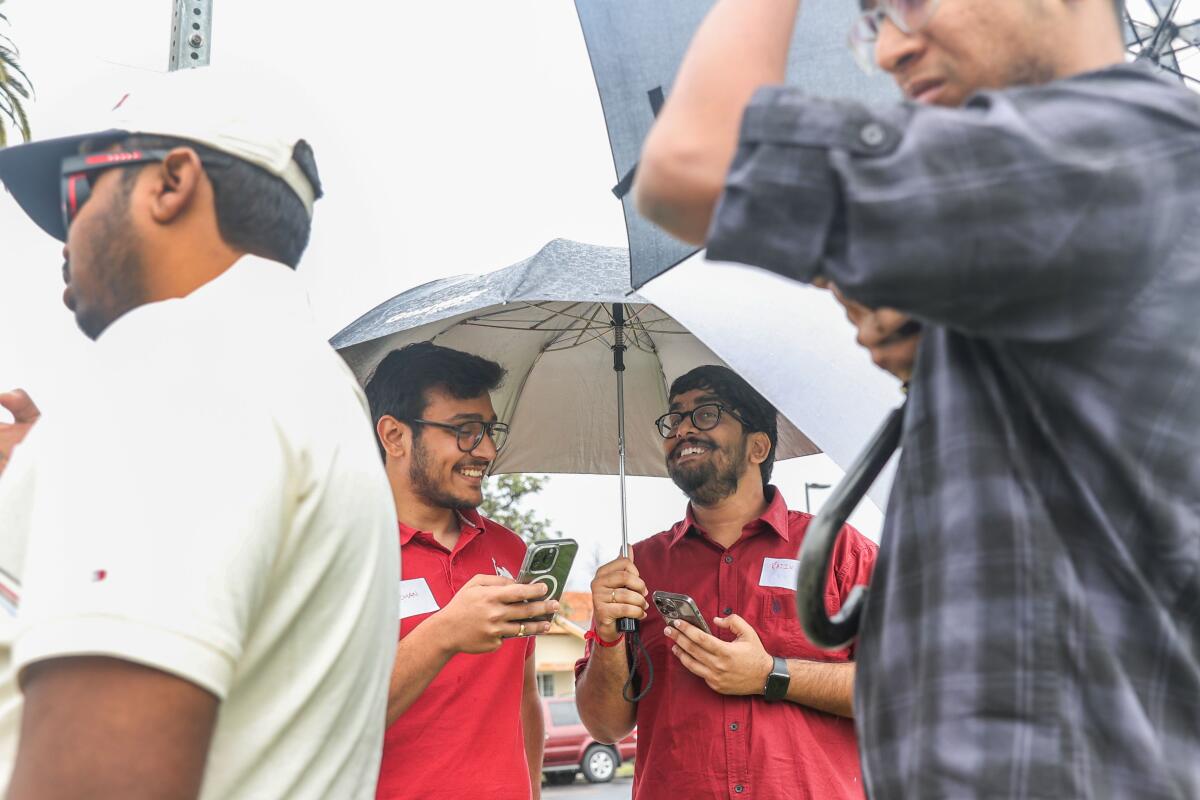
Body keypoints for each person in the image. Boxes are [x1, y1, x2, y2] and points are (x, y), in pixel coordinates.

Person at [633, 0, 1200, 797]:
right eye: (871, 21)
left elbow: (694, 158)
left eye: (912, 3)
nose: (891, 48)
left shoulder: (1089, 148)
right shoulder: (1118, 186)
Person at [0, 69, 399, 799]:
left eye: (77, 193)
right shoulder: (310, 382)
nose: (65, 236)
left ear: (171, 182)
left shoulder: (172, 363)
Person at [575, 365, 877, 799]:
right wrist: (607, 636)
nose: (682, 429)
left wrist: (771, 674)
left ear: (758, 446)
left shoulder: (840, 551)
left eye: (705, 414)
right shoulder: (637, 570)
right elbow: (604, 725)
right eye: (674, 418)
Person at [364, 342, 557, 800]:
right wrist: (444, 632)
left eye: (490, 430)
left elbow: (522, 697)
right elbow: (324, 724)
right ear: (394, 436)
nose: (487, 450)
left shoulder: (510, 549)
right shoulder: (342, 553)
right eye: (465, 431)